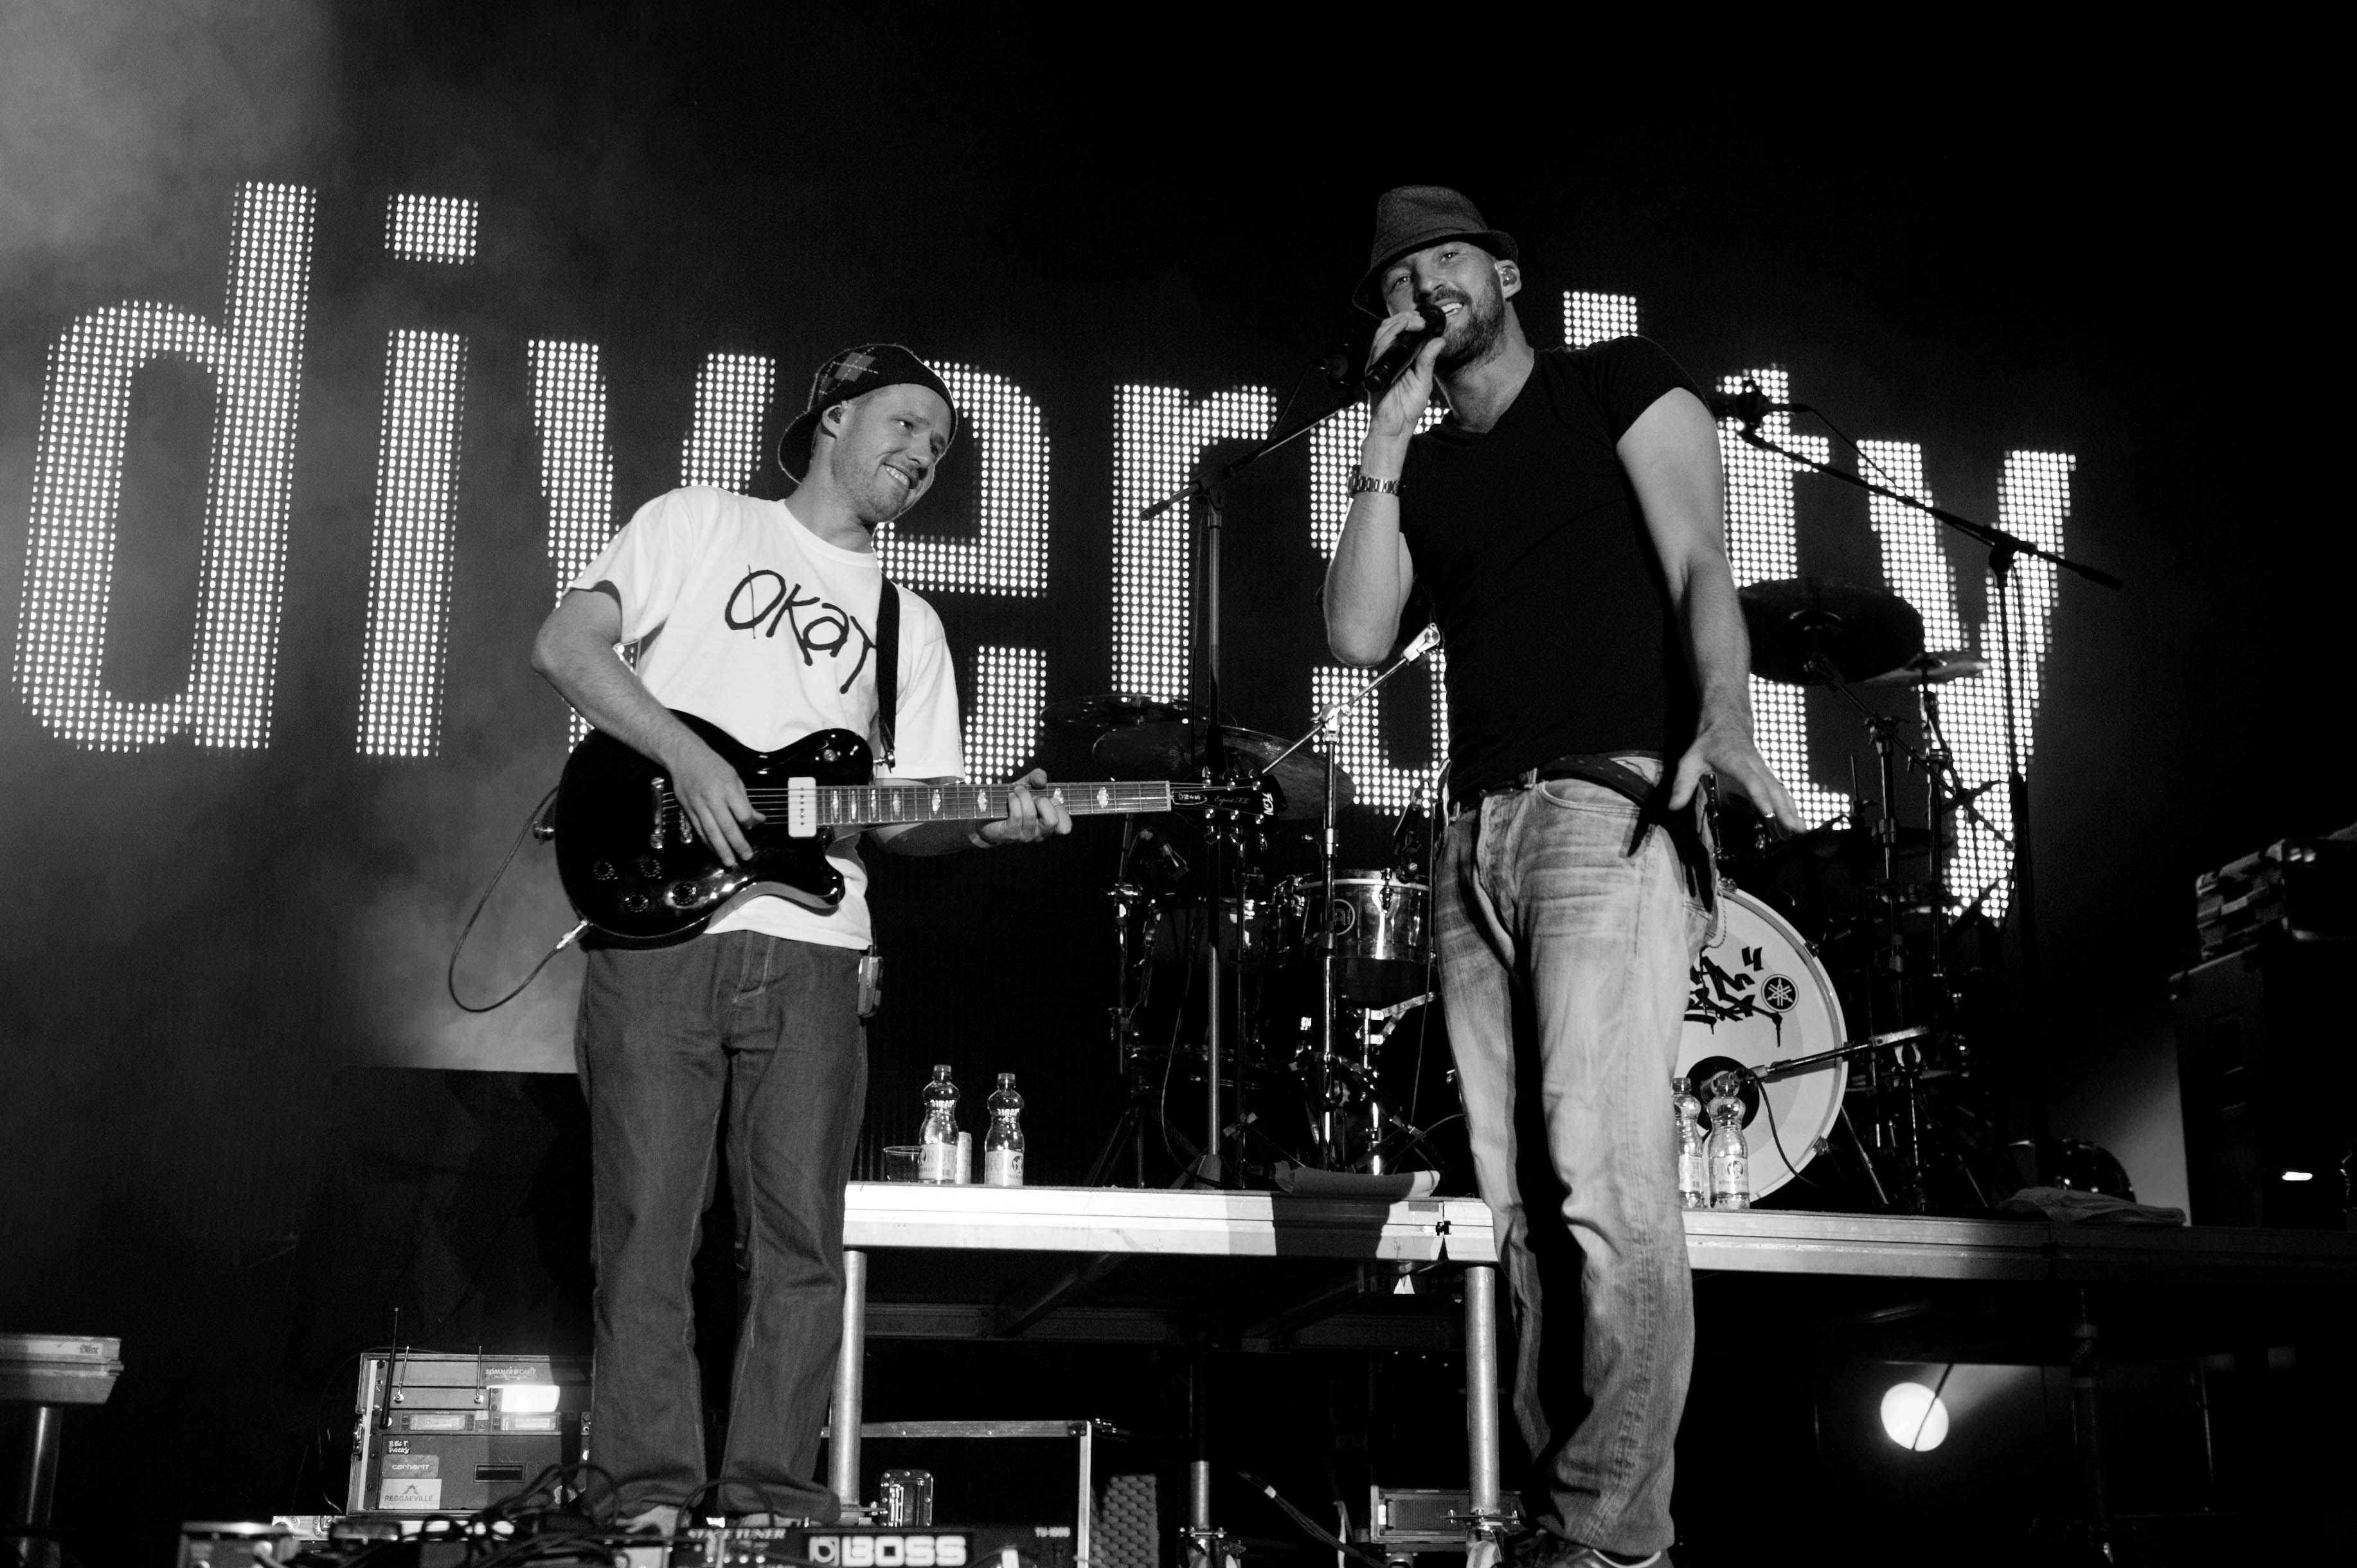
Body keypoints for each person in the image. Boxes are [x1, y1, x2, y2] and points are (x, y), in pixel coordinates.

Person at [1323, 188, 1802, 1568]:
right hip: (1473, 835)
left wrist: (1726, 718)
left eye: (1448, 261)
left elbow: (1701, 557)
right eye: (1400, 279)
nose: (1426, 288)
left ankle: (1616, 1529)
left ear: (1508, 274)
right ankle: (1558, 1510)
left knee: (1605, 1177)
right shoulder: (1424, 463)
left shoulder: (1613, 383)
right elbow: (1357, 633)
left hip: (1605, 804)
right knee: (1522, 1204)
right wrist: (1385, 436)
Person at [532, 344, 1072, 1531]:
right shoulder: (699, 522)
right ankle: (644, 1495)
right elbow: (567, 646)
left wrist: (991, 825)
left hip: (821, 948)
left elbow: (913, 813)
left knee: (799, 1244)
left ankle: (772, 1499)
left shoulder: (909, 621)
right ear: (832, 418)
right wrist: (686, 756)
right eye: (907, 424)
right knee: (645, 1232)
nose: (926, 453)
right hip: (660, 932)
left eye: (942, 445)